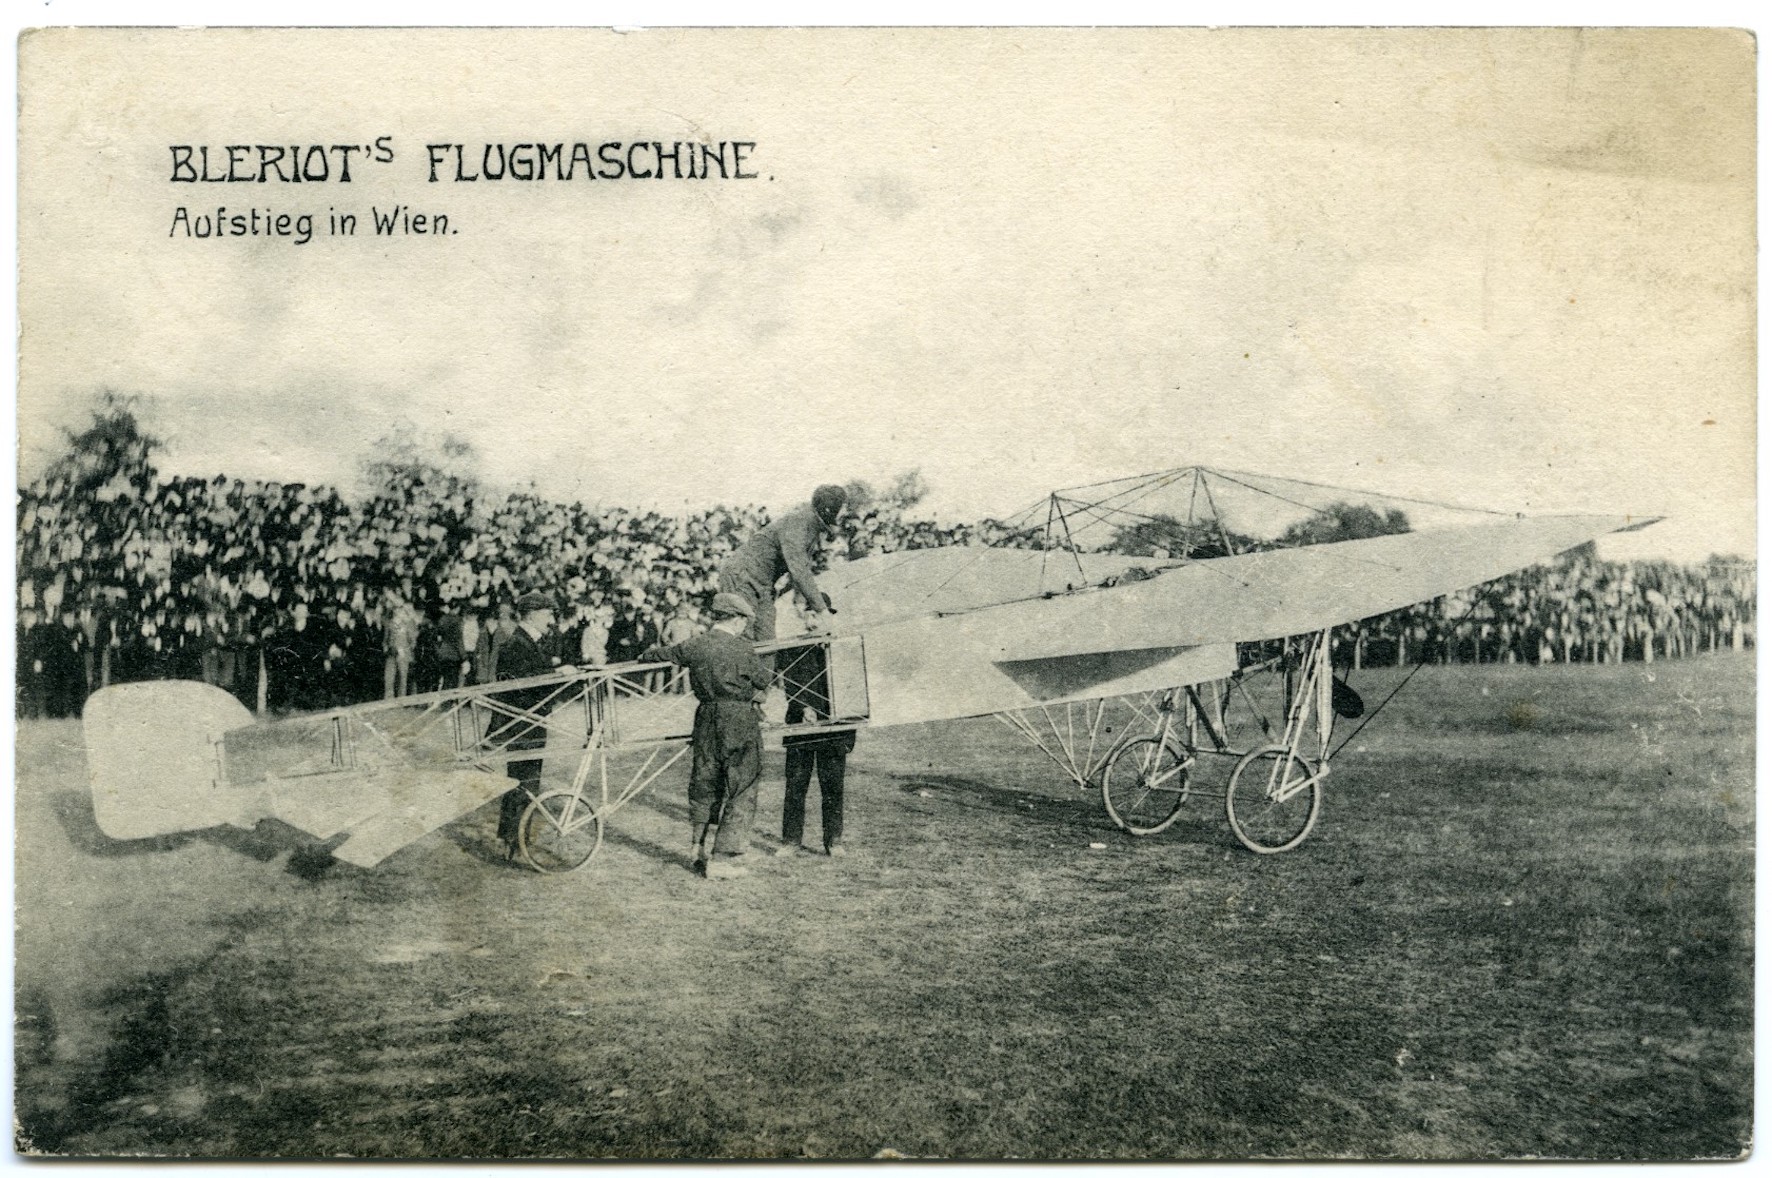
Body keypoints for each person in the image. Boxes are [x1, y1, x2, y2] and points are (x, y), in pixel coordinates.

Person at [642, 592, 774, 880]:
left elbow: (661, 654)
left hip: (705, 718)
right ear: (737, 620)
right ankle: (724, 857)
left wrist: (645, 655)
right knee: (742, 784)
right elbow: (765, 679)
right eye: (744, 621)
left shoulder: (695, 644)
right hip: (738, 719)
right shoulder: (742, 648)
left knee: (704, 779)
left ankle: (697, 847)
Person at [716, 484, 848, 644]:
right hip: (741, 577)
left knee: (767, 639)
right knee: (744, 635)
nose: (845, 513)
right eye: (843, 508)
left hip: (763, 584)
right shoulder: (798, 523)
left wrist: (799, 601)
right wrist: (822, 611)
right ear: (828, 509)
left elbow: (803, 566)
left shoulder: (812, 527)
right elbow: (798, 570)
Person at [490, 591, 560, 861]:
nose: (551, 619)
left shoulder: (527, 641)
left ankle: (513, 840)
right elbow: (525, 683)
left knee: (522, 782)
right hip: (523, 725)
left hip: (527, 723)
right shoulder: (518, 643)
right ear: (533, 614)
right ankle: (515, 842)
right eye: (548, 614)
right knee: (525, 783)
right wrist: (557, 674)